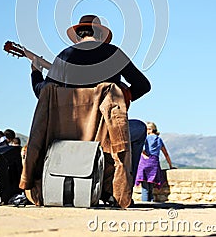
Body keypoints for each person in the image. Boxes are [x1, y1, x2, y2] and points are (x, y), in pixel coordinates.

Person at [31, 14, 151, 183]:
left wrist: (36, 73)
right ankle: (123, 184)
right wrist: (123, 98)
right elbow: (143, 85)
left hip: (70, 133)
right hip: (107, 134)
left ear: (79, 34)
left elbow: (43, 93)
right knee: (139, 128)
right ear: (101, 35)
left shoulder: (64, 56)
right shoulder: (114, 53)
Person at [135, 121, 173, 202]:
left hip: (144, 163)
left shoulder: (145, 138)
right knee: (151, 188)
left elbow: (139, 149)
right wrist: (170, 165)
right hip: (154, 164)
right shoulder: (159, 140)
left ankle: (145, 205)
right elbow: (165, 153)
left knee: (145, 189)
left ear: (151, 130)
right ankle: (151, 203)